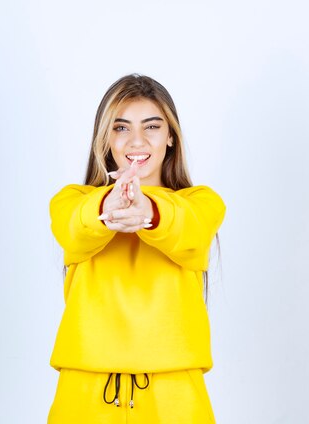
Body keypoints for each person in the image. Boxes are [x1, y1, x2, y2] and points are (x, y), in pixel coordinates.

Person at [46, 74, 226, 423]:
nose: (137, 141)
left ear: (171, 136)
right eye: (121, 128)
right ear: (105, 138)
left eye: (152, 127)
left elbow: (187, 228)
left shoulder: (201, 203)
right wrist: (107, 208)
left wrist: (149, 212)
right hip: (83, 395)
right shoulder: (73, 202)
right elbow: (75, 229)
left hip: (174, 398)